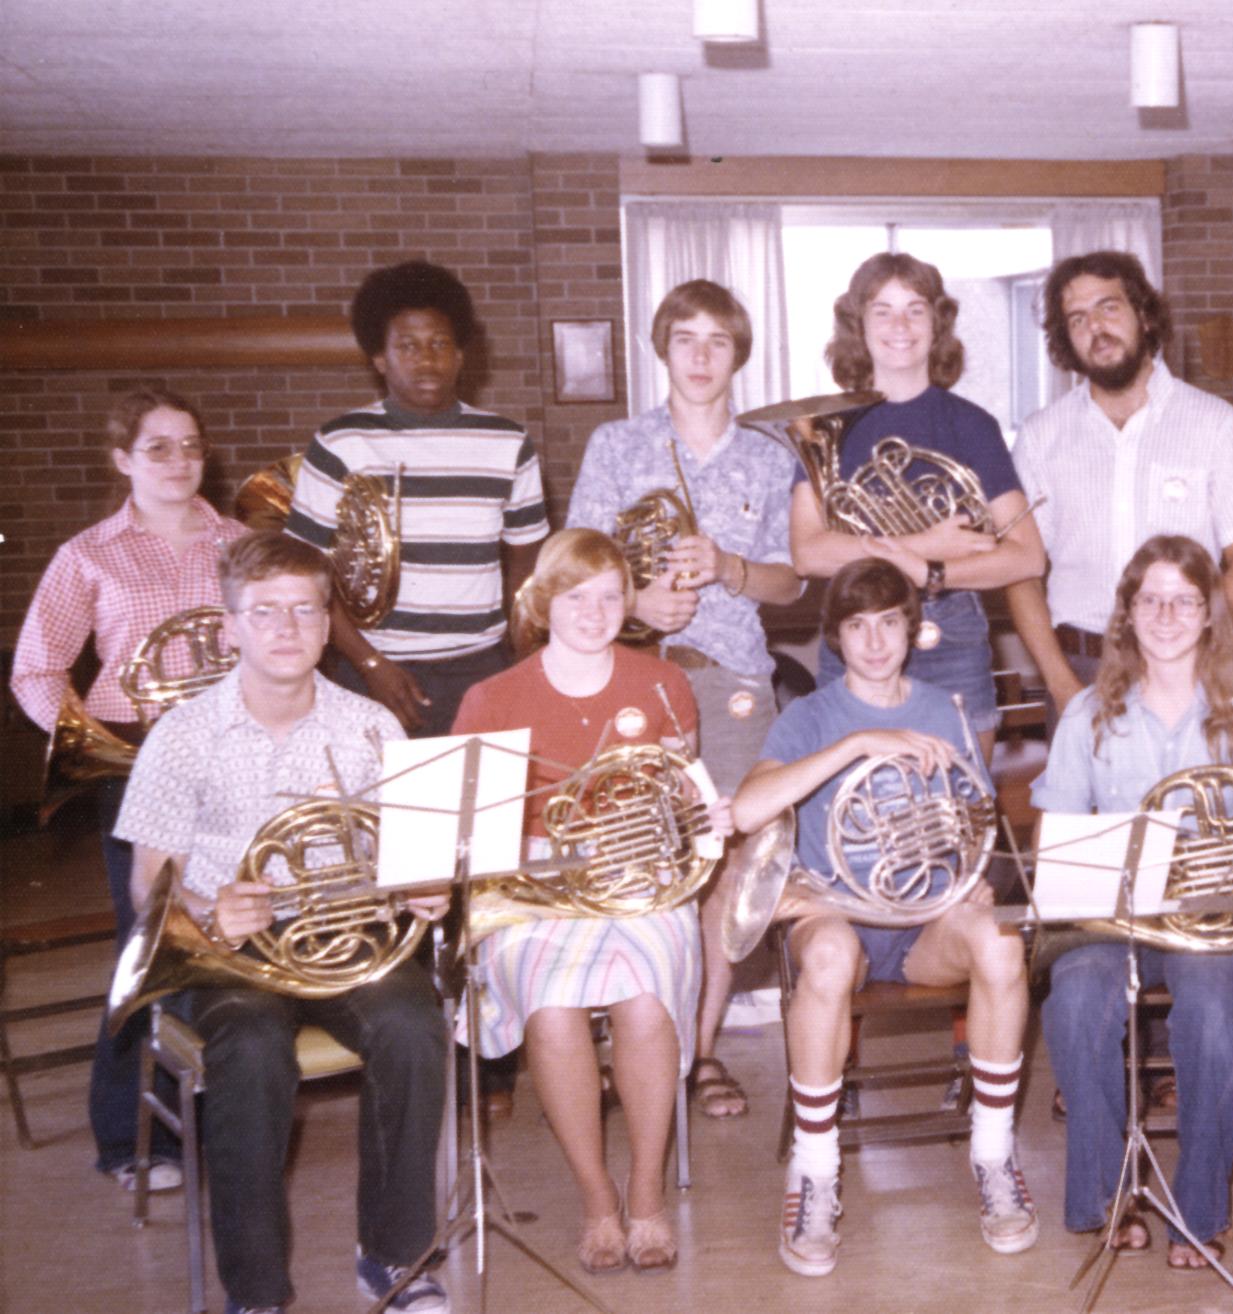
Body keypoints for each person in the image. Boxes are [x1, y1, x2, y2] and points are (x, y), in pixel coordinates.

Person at [112, 531, 451, 1314]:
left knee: (411, 1026)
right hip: (230, 951)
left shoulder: (370, 725)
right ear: (229, 627)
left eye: (305, 609)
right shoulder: (183, 734)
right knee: (254, 1048)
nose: (287, 628)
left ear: (329, 622)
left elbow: (408, 854)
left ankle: (394, 1258)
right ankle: (257, 1292)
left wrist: (422, 888)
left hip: (343, 931)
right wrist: (206, 905)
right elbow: (147, 886)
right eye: (264, 612)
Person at [733, 558, 1036, 1277]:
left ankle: (992, 1159)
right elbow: (746, 811)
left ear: (912, 628)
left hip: (927, 921)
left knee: (1000, 947)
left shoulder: (944, 710)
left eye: (890, 623)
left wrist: (969, 882)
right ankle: (814, 1174)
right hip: (838, 914)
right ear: (836, 636)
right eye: (857, 625)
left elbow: (970, 822)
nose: (874, 641)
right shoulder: (810, 715)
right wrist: (858, 744)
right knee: (831, 959)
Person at [1034, 534, 1233, 1269]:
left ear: (1208, 615)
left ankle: (1197, 1210)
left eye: (1184, 600)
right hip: (1119, 920)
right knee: (1073, 996)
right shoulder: (1086, 716)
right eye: (1150, 599)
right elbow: (1059, 847)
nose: (1166, 613)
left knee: (1212, 1003)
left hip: (1228, 921)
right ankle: (1109, 1198)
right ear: (1127, 614)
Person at [450, 528, 724, 1274]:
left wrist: (702, 818)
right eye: (576, 595)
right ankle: (597, 1200)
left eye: (609, 595)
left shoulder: (661, 682)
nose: (594, 611)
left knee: (643, 999)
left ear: (628, 602)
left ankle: (645, 1197)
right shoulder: (492, 695)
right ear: (543, 602)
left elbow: (680, 792)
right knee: (551, 1001)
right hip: (534, 879)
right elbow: (473, 834)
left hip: (638, 871)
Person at [565, 279, 802, 1122]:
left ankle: (698, 1056)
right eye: (685, 340)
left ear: (738, 354)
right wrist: (633, 606)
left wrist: (729, 569)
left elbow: (789, 582)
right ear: (661, 349)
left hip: (734, 684)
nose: (701, 357)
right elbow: (572, 569)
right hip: (631, 677)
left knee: (726, 871)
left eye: (718, 342)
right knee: (630, 858)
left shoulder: (771, 458)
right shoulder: (616, 445)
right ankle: (622, 1041)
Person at [10, 385, 248, 1190]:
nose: (180, 462)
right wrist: (101, 748)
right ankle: (127, 1137)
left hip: (232, 749)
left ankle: (229, 1113)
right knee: (147, 943)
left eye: (191, 445)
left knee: (234, 927)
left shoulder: (241, 542)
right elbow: (37, 668)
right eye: (158, 447)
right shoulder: (89, 555)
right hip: (139, 755)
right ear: (122, 460)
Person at [789, 251, 1046, 763]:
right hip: (857, 634)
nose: (899, 325)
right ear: (858, 326)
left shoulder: (972, 425)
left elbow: (1027, 557)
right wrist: (919, 547)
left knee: (961, 807)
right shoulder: (824, 427)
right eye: (881, 310)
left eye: (915, 309)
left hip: (949, 633)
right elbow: (808, 553)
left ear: (937, 323)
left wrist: (932, 570)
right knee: (855, 801)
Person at [1007, 250, 1233, 723]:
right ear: (1065, 338)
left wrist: (1192, 651)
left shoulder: (1215, 424)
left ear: (1144, 316)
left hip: (1194, 668)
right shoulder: (1039, 437)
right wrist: (1061, 684)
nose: (1095, 326)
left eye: (1108, 307)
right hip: (1080, 669)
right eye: (1077, 317)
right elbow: (1020, 573)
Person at [285, 258, 549, 739]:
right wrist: (369, 662)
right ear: (380, 359)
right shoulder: (340, 443)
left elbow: (526, 557)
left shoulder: (508, 442)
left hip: (480, 668)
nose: (426, 360)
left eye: (439, 344)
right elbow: (307, 572)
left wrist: (516, 651)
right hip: (371, 667)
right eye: (407, 346)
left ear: (461, 355)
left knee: (479, 810)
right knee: (376, 811)